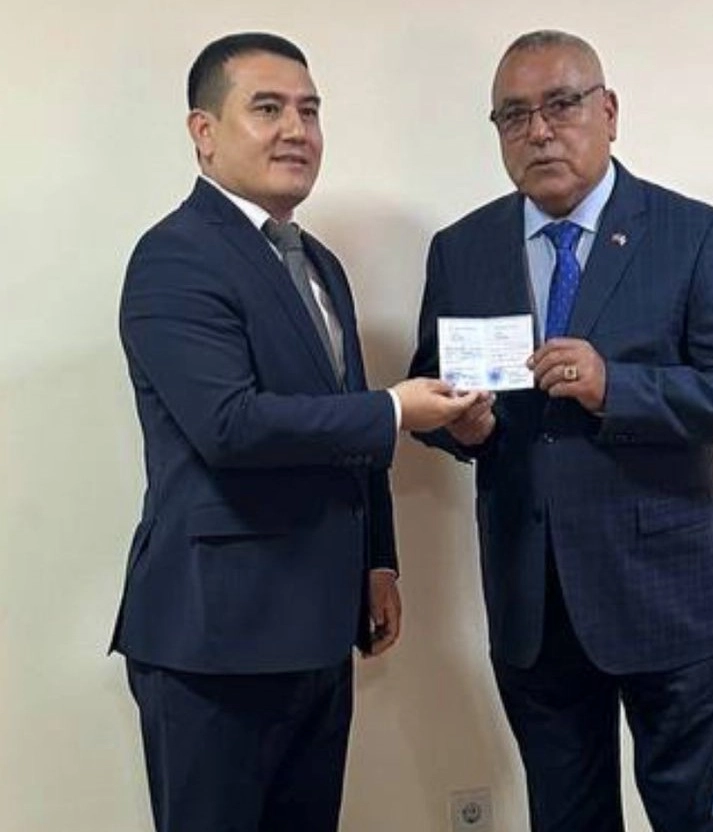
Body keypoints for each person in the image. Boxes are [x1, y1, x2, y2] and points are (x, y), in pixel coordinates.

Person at [408, 30, 713, 832]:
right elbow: (432, 390)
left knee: (703, 819)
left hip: (670, 595)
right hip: (533, 605)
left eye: (561, 105)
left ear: (608, 112)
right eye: (514, 115)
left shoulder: (693, 234)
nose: (539, 131)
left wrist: (618, 387)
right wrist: (462, 430)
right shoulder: (462, 249)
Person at [112, 32, 479, 832]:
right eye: (268, 109)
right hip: (214, 638)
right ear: (204, 132)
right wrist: (393, 410)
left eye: (310, 112)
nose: (296, 131)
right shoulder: (174, 256)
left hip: (319, 630)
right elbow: (229, 425)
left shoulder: (319, 264)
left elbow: (344, 425)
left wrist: (378, 560)